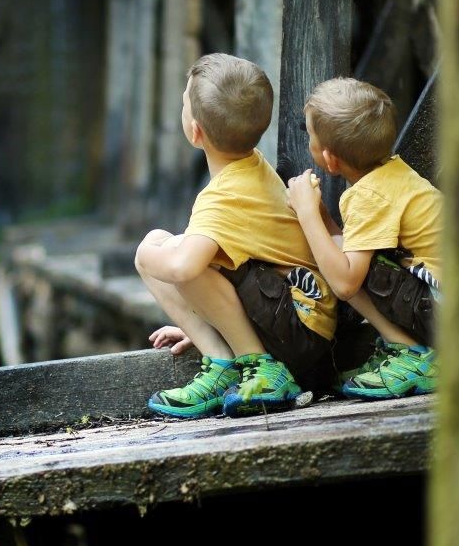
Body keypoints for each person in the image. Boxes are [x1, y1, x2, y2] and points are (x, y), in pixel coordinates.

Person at [135, 54, 337, 418]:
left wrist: (145, 255)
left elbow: (183, 269)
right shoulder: (252, 165)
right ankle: (223, 355)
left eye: (183, 102)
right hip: (303, 318)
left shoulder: (224, 198)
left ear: (195, 131)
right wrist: (202, 318)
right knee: (185, 247)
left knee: (171, 251)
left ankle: (258, 367)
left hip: (300, 330)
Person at [285, 77, 441, 399]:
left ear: (329, 159)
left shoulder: (368, 196)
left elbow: (345, 283)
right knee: (344, 255)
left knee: (344, 270)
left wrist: (306, 215)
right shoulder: (393, 173)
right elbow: (351, 247)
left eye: (310, 135)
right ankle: (410, 350)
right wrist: (324, 218)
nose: (308, 141)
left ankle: (414, 356)